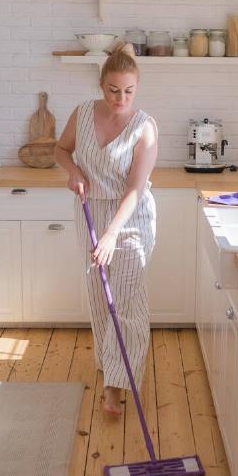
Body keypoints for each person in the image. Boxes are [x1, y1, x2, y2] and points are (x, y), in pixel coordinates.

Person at [54, 43, 159, 416]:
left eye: (129, 91)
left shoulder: (144, 127)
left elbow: (134, 189)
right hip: (91, 212)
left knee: (126, 301)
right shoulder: (82, 113)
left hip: (129, 220)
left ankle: (117, 386)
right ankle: (110, 370)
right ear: (101, 86)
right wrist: (75, 172)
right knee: (101, 299)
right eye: (114, 90)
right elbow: (60, 149)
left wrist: (113, 233)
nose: (121, 98)